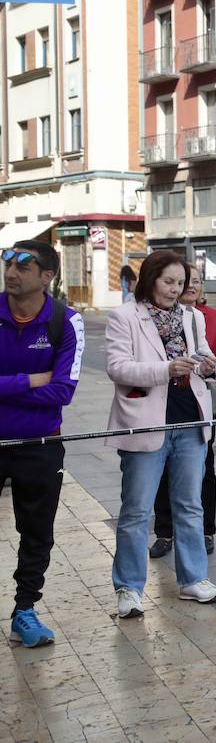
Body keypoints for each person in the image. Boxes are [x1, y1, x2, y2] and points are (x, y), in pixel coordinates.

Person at [105, 250, 216, 618]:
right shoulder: (125, 315)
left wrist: (208, 364)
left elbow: (207, 359)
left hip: (190, 418)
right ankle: (128, 587)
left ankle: (193, 578)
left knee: (190, 505)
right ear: (150, 279)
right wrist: (166, 368)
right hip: (146, 421)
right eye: (168, 282)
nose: (175, 290)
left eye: (181, 284)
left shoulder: (192, 317)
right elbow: (118, 367)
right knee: (136, 510)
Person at [0, 241, 83, 647]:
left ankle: (25, 610)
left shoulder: (66, 322)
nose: (11, 272)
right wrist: (30, 380)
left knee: (36, 532)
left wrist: (5, 388)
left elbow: (63, 391)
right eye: (7, 262)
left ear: (47, 275)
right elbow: (47, 385)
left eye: (23, 265)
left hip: (39, 443)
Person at [150, 266, 216, 560]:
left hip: (198, 403)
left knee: (204, 469)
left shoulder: (211, 318)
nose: (188, 287)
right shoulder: (150, 317)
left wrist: (209, 368)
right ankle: (164, 532)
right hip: (159, 403)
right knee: (159, 470)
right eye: (180, 281)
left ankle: (205, 530)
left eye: (195, 282)